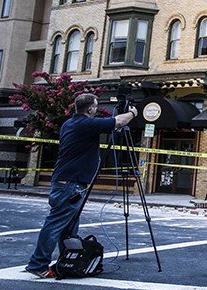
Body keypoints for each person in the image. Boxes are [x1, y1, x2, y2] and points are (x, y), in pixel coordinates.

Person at [25, 93, 137, 278]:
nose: (96, 109)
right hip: (71, 185)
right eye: (95, 107)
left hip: (69, 183)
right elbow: (117, 122)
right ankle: (37, 263)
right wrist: (132, 113)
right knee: (55, 225)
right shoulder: (84, 124)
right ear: (91, 109)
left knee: (68, 228)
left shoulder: (70, 124)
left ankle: (66, 262)